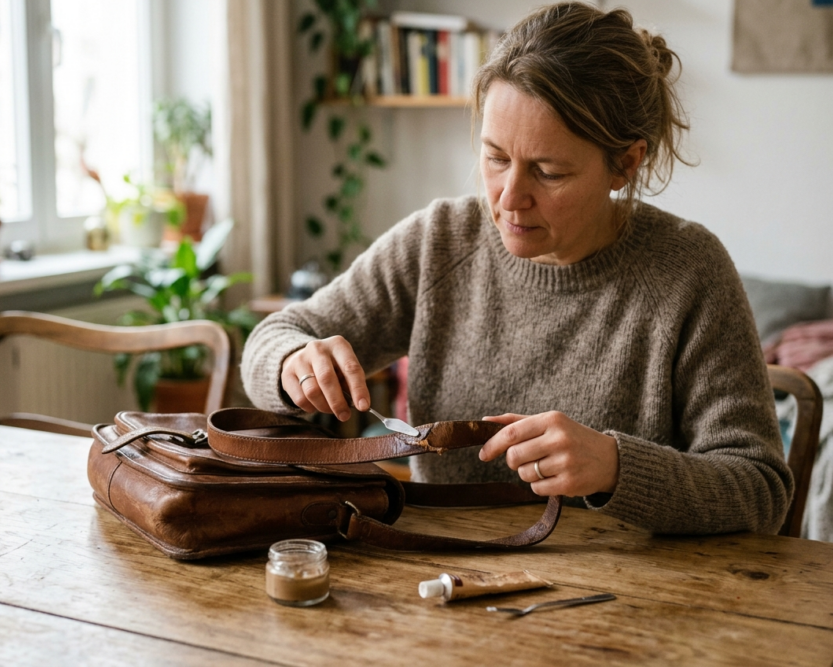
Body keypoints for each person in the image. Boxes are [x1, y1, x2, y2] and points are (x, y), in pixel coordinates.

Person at [242, 2, 793, 535]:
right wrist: (294, 362)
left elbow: (760, 489)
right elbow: (274, 336)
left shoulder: (690, 271)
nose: (509, 198)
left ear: (625, 163)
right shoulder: (439, 240)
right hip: (441, 577)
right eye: (496, 157)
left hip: (629, 602)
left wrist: (615, 467)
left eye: (548, 172)